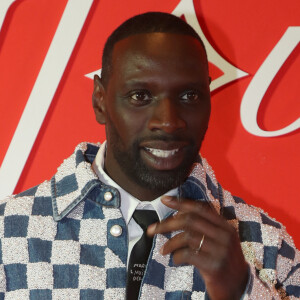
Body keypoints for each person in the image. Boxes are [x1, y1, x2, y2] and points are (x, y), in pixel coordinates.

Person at [0, 12, 299, 300]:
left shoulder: (267, 244)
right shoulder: (9, 233)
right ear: (100, 101)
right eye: (140, 96)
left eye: (189, 96)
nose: (168, 121)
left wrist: (243, 291)